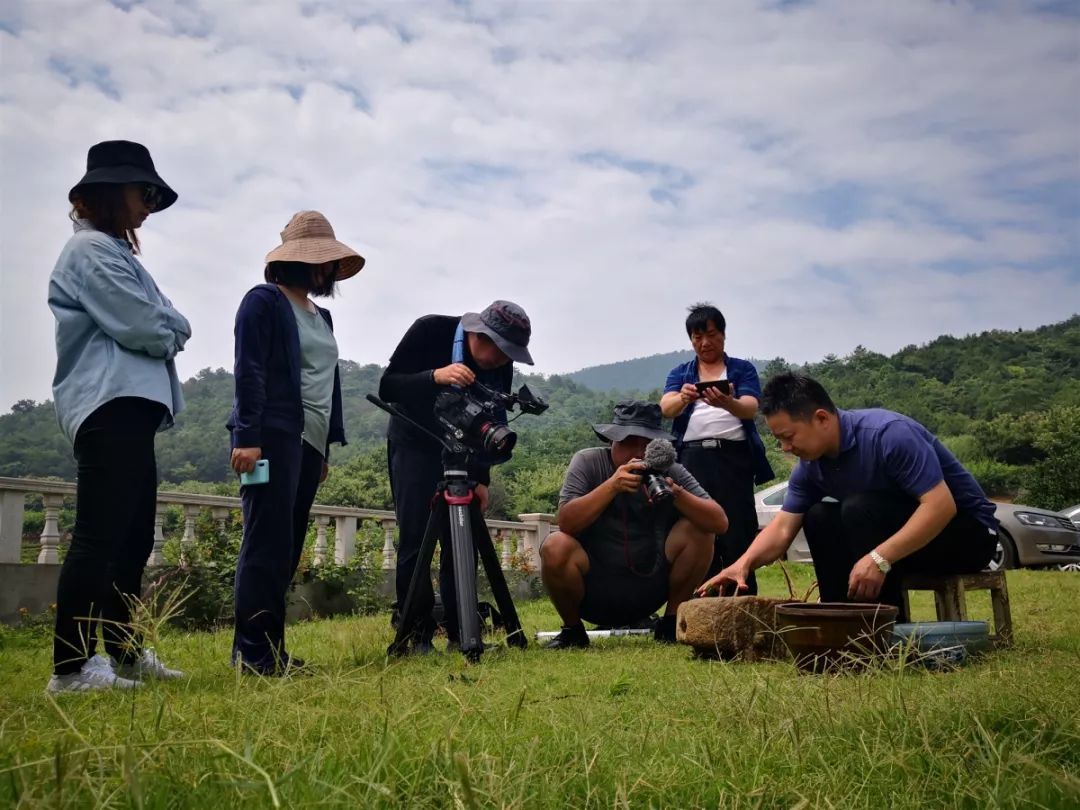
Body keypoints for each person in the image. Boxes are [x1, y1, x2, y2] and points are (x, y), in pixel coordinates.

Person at [46, 140, 190, 692]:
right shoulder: (89, 253)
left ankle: (123, 653)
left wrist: (169, 323)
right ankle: (72, 667)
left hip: (132, 406)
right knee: (98, 537)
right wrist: (174, 327)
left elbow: (163, 319)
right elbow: (149, 326)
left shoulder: (117, 254)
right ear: (108, 193)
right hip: (108, 403)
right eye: (143, 191)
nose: (148, 205)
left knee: (130, 538)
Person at [697, 373, 999, 620]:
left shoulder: (888, 435)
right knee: (818, 516)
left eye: (789, 437)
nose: (786, 448)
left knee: (859, 509)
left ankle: (885, 631)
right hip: (905, 540)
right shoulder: (810, 467)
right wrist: (743, 563)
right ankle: (839, 620)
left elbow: (940, 506)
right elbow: (783, 528)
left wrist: (879, 559)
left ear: (822, 418)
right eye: (779, 441)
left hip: (969, 534)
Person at [227, 211, 364, 675]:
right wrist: (247, 437)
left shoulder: (320, 315)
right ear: (300, 262)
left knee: (286, 547)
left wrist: (326, 447)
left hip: (310, 444)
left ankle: (268, 648)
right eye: (322, 262)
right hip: (273, 438)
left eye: (330, 263)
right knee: (265, 543)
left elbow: (329, 384)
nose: (327, 271)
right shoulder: (263, 302)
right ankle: (254, 653)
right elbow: (250, 371)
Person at [378, 300, 534, 653]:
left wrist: (482, 478)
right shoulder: (430, 330)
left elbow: (492, 417)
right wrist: (436, 376)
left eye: (510, 354)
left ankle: (461, 631)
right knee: (416, 537)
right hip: (415, 445)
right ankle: (415, 635)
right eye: (501, 351)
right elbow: (389, 386)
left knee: (460, 538)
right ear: (480, 335)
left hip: (464, 452)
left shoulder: (500, 364)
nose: (502, 361)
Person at [540, 402, 728, 648]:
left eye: (647, 444)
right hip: (593, 588)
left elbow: (719, 522)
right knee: (555, 545)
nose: (638, 452)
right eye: (629, 441)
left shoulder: (669, 469)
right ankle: (573, 630)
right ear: (612, 441)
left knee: (699, 530)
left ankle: (671, 623)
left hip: (650, 585)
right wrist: (611, 486)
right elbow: (566, 523)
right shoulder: (588, 462)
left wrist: (677, 494)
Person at [660, 303, 774, 594]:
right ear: (691, 340)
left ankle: (743, 596)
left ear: (723, 335)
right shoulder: (681, 373)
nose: (705, 342)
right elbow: (666, 408)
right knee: (696, 524)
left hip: (733, 457)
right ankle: (701, 600)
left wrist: (728, 403)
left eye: (711, 334)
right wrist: (685, 398)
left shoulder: (741, 369)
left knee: (738, 528)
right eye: (697, 337)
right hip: (691, 458)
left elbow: (750, 409)